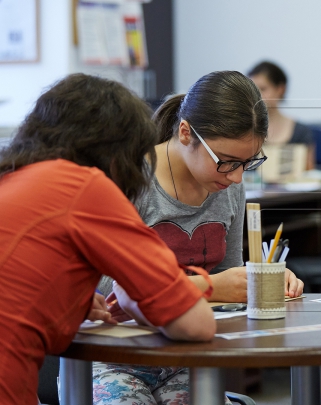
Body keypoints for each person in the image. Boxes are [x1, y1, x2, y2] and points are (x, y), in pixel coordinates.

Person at [0, 73, 216, 405]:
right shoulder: (85, 187)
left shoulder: (12, 179)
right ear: (121, 155)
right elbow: (196, 324)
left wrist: (74, 302)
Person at [93, 70, 305, 405]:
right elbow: (105, 287)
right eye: (226, 162)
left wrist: (260, 280)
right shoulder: (130, 176)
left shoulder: (227, 187)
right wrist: (211, 286)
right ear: (186, 133)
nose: (236, 177)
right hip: (113, 357)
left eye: (248, 163)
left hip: (188, 356)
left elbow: (230, 285)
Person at [249, 61, 316, 170]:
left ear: (280, 89)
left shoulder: (301, 132)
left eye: (263, 89)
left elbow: (307, 173)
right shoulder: (243, 130)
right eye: (252, 90)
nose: (256, 95)